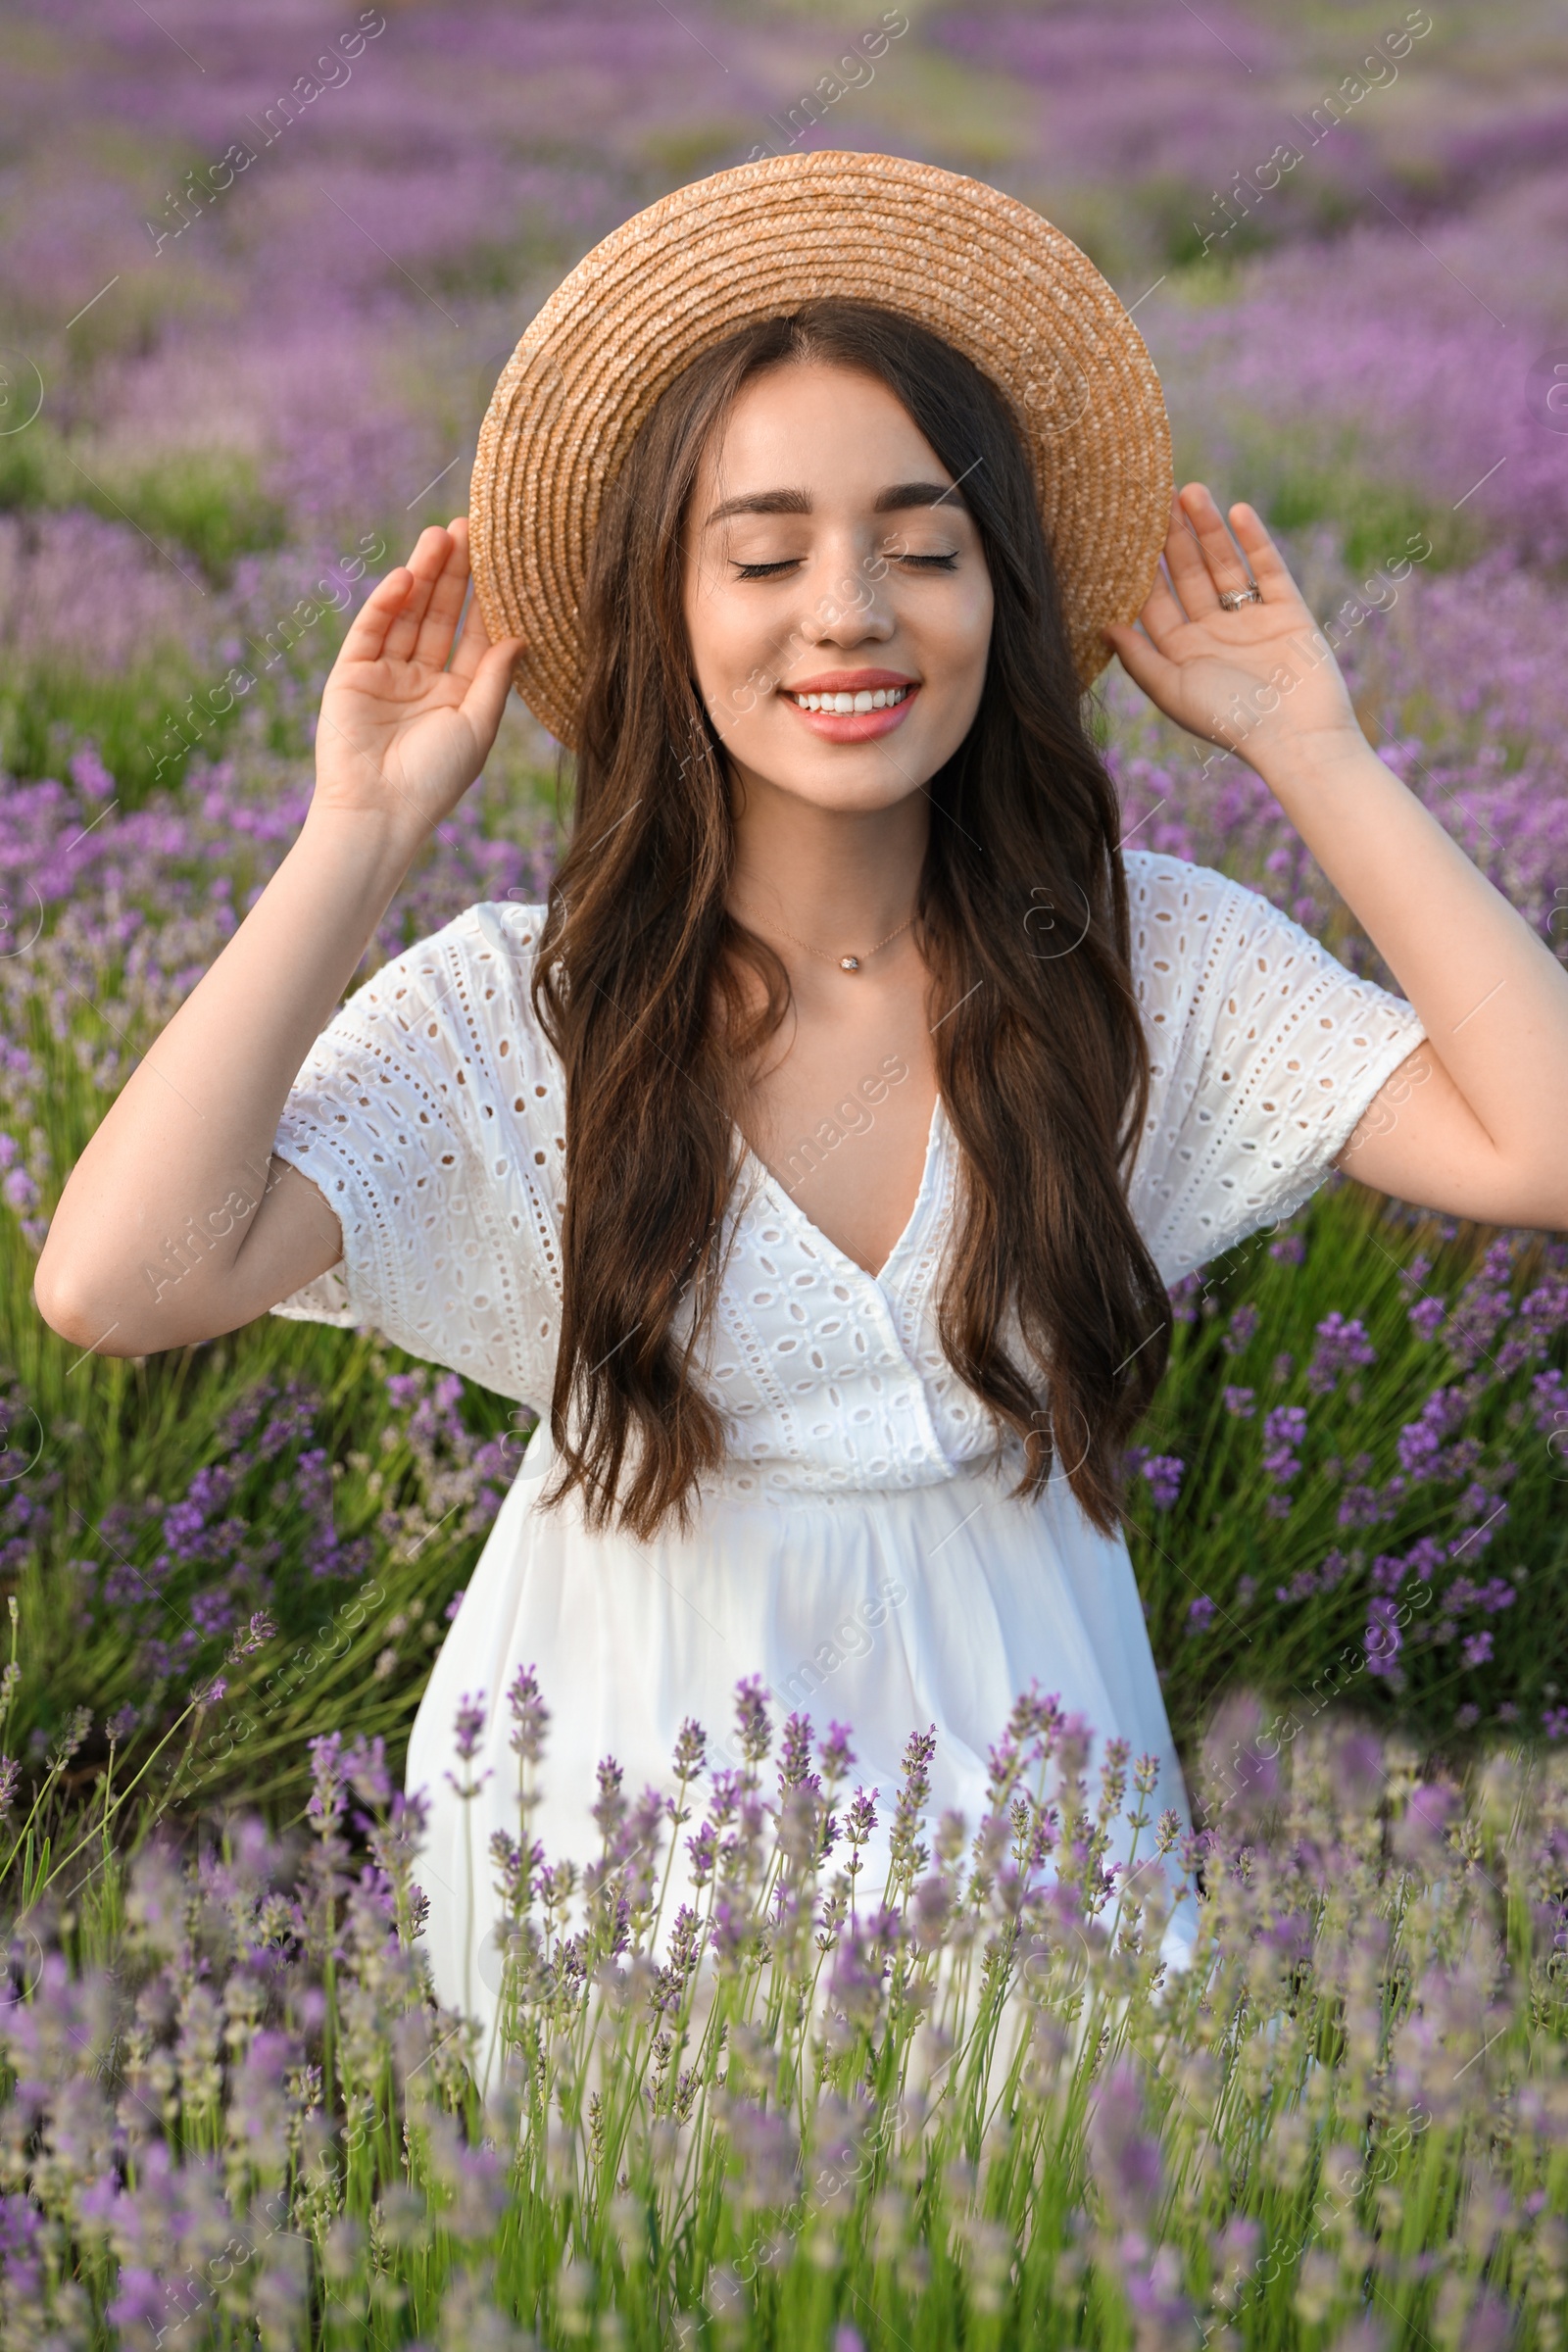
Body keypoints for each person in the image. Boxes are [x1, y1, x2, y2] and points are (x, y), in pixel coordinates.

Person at [34, 154, 1568, 2070]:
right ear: (669, 612)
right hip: (609, 1862)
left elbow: (1541, 1140)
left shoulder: (1132, 965)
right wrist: (357, 835)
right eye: (759, 555)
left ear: (997, 594)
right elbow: (117, 1281)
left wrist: (1311, 750)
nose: (844, 612)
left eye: (919, 546)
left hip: (1036, 1847)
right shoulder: (531, 1012)